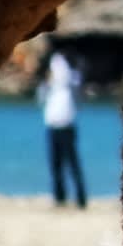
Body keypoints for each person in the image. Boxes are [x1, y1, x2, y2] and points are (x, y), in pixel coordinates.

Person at [41, 43, 88, 209]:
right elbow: (41, 96)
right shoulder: (52, 85)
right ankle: (59, 197)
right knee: (56, 165)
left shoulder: (72, 79)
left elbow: (73, 83)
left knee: (72, 164)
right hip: (53, 124)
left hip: (66, 125)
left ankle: (81, 198)